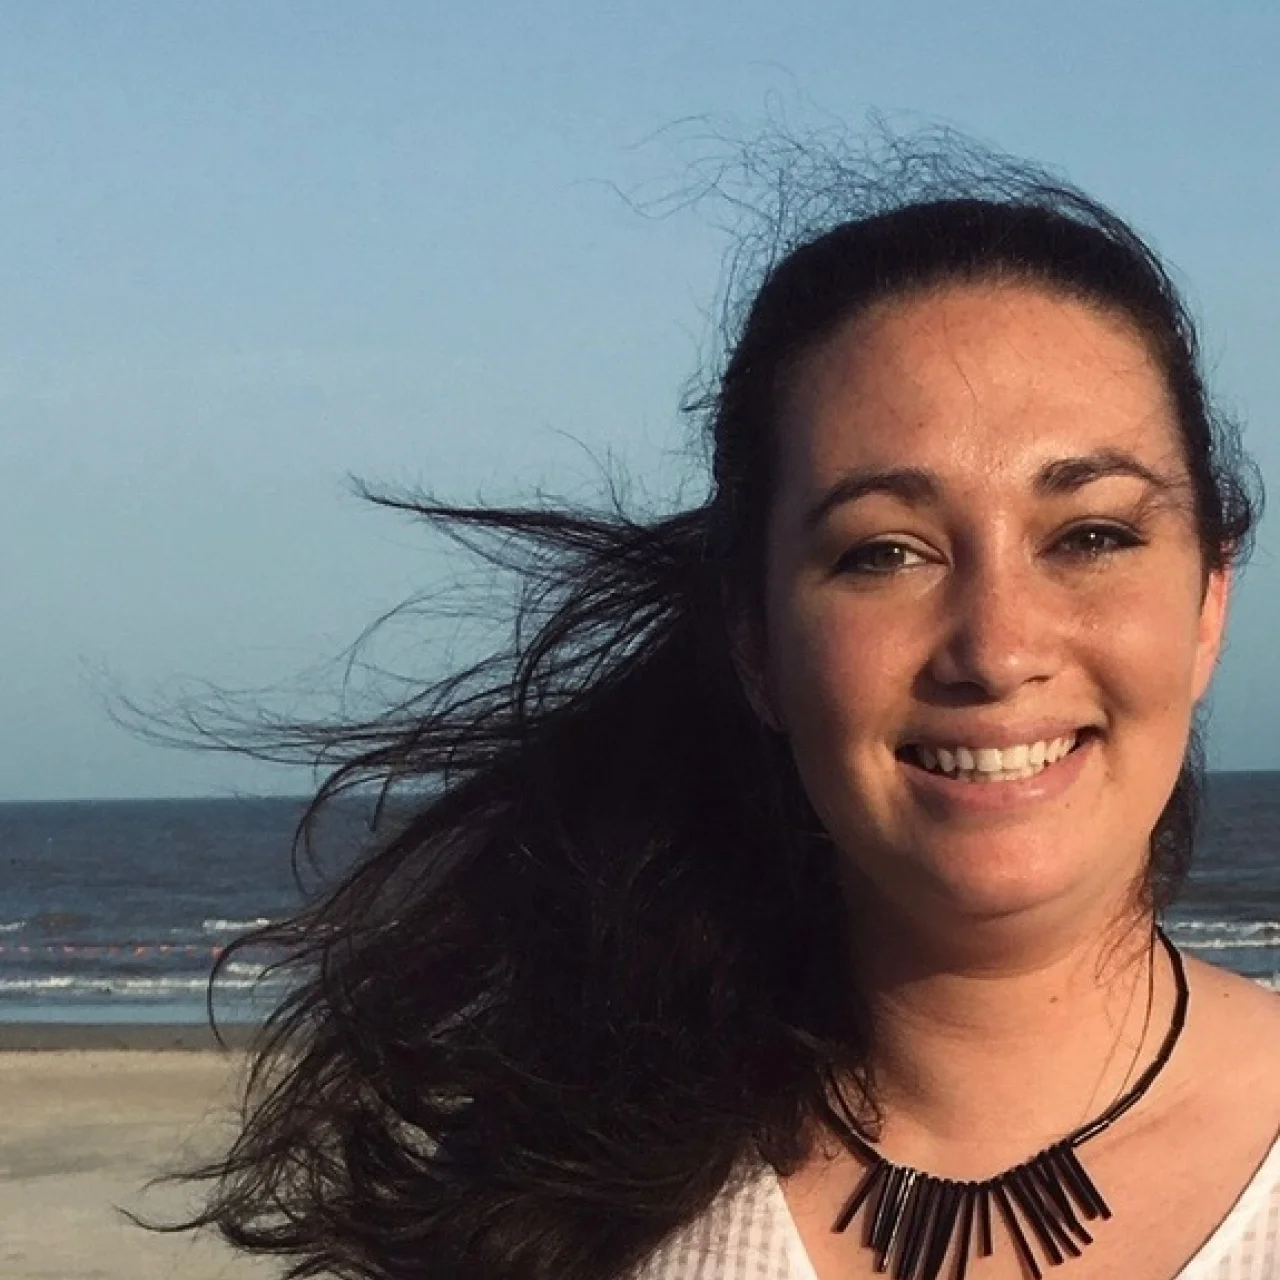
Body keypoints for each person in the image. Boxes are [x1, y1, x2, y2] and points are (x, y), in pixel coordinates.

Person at [184, 149, 1279, 1280]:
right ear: (754, 639)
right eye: (883, 551)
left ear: (1207, 602)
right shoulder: (557, 1208)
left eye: (1089, 535)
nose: (995, 647)